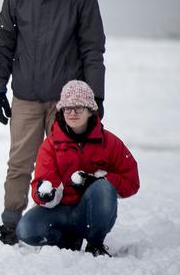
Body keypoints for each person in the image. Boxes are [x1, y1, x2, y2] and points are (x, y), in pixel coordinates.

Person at [0, 0, 106, 245]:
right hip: (25, 96)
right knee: (19, 164)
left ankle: (71, 226)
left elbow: (93, 50)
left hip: (68, 104)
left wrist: (94, 96)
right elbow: (4, 45)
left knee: (69, 164)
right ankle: (11, 226)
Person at [16, 80, 139, 256]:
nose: (72, 112)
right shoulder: (50, 144)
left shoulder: (110, 143)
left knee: (103, 188)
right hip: (60, 211)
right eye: (67, 108)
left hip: (89, 214)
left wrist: (96, 181)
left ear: (90, 111)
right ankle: (66, 241)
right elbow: (41, 182)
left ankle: (95, 243)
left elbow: (131, 181)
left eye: (79, 107)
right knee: (26, 229)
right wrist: (45, 193)